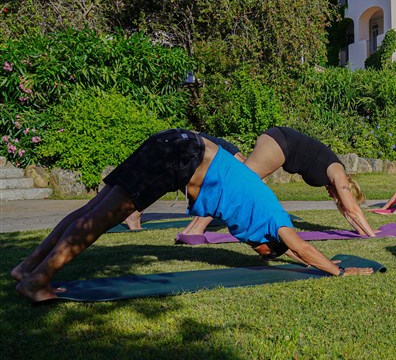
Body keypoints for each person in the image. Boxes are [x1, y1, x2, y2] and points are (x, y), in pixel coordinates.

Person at [11, 129, 373, 303]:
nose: (257, 254)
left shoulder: (262, 220)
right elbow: (299, 248)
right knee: (99, 219)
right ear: (269, 243)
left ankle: (28, 267)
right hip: (181, 156)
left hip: (176, 143)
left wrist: (310, 260)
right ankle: (37, 280)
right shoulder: (277, 222)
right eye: (263, 253)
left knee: (89, 210)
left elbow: (294, 253)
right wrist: (337, 269)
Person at [244, 127, 375, 236]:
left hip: (277, 141)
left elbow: (348, 212)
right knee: (240, 182)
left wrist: (362, 231)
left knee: (238, 180)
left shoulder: (332, 175)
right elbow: (352, 209)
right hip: (281, 143)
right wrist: (373, 235)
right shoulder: (338, 172)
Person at [122, 132, 245, 232]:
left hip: (188, 142)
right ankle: (195, 230)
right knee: (217, 192)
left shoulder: (236, 161)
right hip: (190, 144)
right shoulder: (241, 167)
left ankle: (134, 213)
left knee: (167, 180)